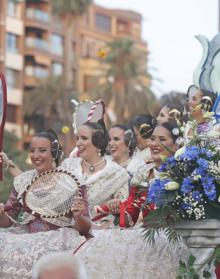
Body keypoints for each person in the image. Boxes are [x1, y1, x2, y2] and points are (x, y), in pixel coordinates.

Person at [74, 122, 189, 279]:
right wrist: (120, 211)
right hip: (141, 233)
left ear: (176, 145)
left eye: (162, 139)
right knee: (98, 242)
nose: (154, 144)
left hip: (169, 235)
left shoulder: (184, 172)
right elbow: (131, 213)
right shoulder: (144, 172)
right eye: (153, 138)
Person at [0, 130, 90, 279]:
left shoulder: (72, 182)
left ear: (54, 152)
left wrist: (78, 216)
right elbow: (7, 222)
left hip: (58, 238)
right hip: (24, 235)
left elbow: (85, 228)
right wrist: (1, 214)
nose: (36, 156)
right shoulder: (23, 180)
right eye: (32, 151)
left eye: (42, 150)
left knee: (38, 253)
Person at [60, 122, 130, 219]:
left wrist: (116, 208)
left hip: (100, 230)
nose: (78, 143)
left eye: (84, 138)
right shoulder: (67, 165)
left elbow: (126, 213)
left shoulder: (117, 173)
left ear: (98, 141)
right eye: (77, 138)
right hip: (65, 227)